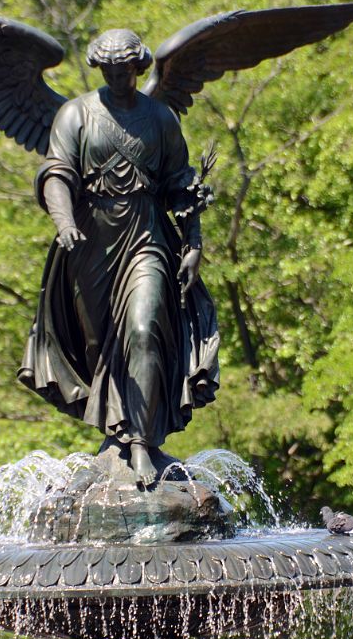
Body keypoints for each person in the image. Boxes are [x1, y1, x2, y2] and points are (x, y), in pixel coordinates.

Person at [18, 29, 220, 485]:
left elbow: (179, 184)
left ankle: (142, 442)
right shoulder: (76, 114)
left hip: (147, 235)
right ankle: (115, 434)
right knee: (98, 347)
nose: (116, 75)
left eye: (124, 69)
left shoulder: (160, 118)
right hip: (89, 240)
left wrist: (194, 242)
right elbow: (56, 174)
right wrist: (64, 221)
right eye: (108, 69)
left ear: (138, 67)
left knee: (145, 330)